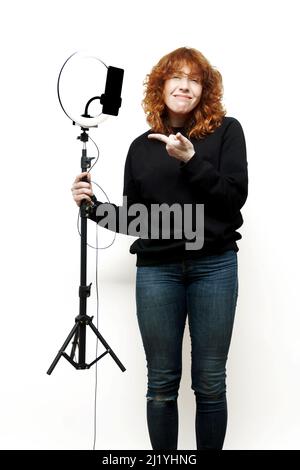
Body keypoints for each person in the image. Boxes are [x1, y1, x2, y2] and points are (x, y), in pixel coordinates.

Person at [71, 47, 248, 450]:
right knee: (162, 383)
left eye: (195, 79)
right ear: (161, 85)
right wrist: (92, 208)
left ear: (204, 90)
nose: (185, 85)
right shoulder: (140, 148)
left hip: (214, 266)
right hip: (157, 271)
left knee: (209, 381)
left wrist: (191, 161)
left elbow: (233, 200)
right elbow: (138, 220)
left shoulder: (227, 132)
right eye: (176, 77)